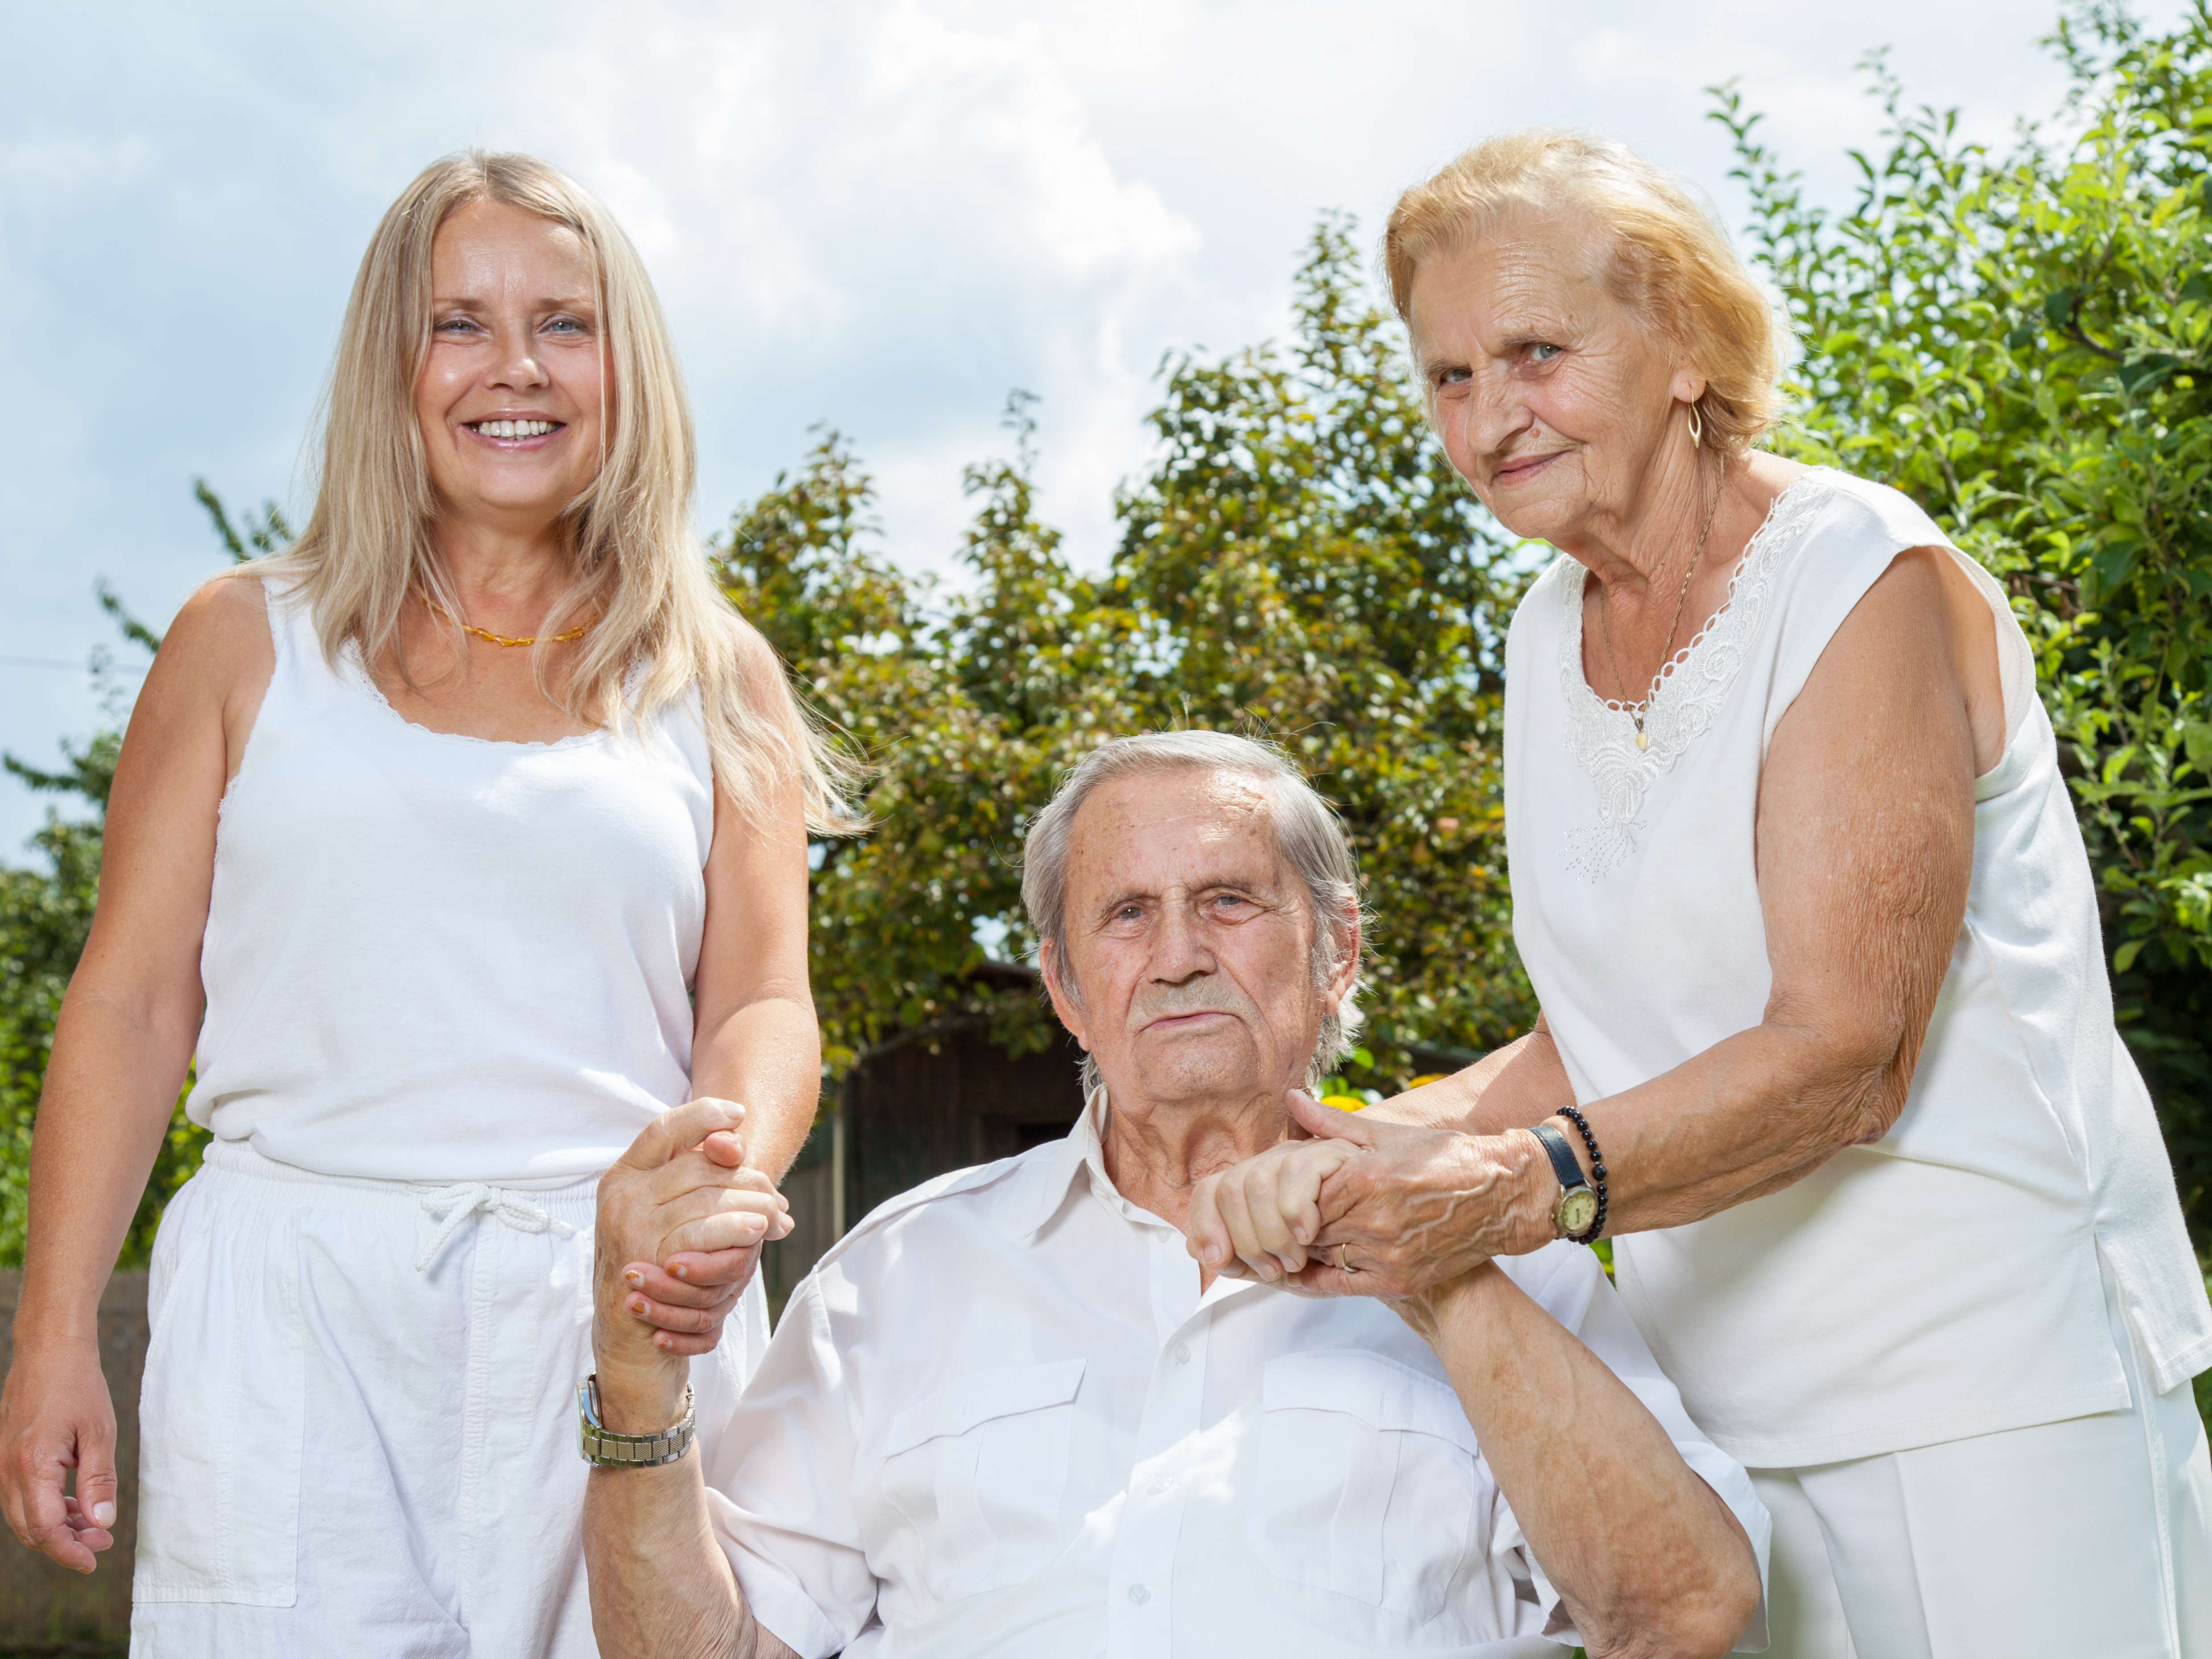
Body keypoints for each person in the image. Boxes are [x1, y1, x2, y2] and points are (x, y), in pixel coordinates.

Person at [1184, 130, 2212, 1658]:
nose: (1487, 417)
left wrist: (1520, 1186)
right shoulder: (1545, 634)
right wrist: (1353, 1140)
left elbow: (1848, 1052)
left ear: (1682, 342)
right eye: (1449, 376)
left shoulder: (1856, 576)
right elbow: (1611, 1025)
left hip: (1991, 1394)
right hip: (1719, 1416)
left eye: (1536, 352)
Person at [0, 151, 847, 1656]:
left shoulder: (715, 674)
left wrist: (717, 1189)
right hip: (290, 1328)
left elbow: (764, 1001)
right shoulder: (239, 641)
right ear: (391, 364)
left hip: (622, 1308)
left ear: (626, 364)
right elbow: (130, 1004)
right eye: (460, 323)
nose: (515, 368)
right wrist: (55, 1332)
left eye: (565, 324)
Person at [582, 730, 1767, 1659]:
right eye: (1129, 914)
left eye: (1231, 900)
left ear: (1335, 950)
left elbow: (1684, 1615)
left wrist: (1432, 1265)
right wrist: (636, 1381)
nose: (1181, 954)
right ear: (1064, 984)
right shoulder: (897, 1278)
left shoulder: (1504, 1252)